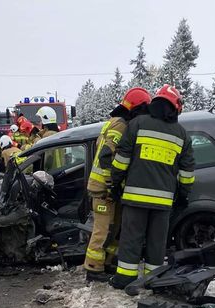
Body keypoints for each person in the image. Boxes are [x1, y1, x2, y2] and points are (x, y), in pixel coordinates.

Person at [109, 85, 195, 289]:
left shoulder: (138, 123)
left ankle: (125, 279)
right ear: (175, 107)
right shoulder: (182, 134)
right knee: (157, 243)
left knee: (131, 239)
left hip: (135, 198)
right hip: (163, 202)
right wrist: (183, 196)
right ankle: (153, 280)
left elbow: (122, 158)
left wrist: (115, 182)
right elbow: (187, 172)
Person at [83, 87, 152, 282]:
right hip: (103, 188)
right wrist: (111, 184)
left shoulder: (114, 123)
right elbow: (106, 155)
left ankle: (108, 262)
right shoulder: (120, 126)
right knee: (103, 229)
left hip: (106, 186)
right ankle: (93, 268)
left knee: (113, 228)